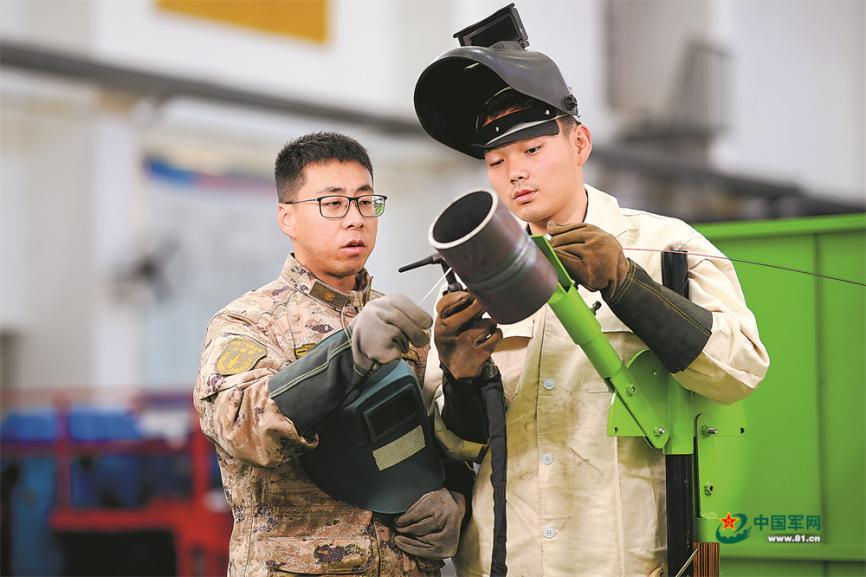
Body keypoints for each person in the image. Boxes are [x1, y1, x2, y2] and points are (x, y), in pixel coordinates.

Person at [413, 11, 770, 577]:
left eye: (532, 150)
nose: (514, 173)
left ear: (578, 142)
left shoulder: (665, 246)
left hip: (623, 559)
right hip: (508, 560)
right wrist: (459, 379)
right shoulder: (469, 276)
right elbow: (458, 447)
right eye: (497, 161)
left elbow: (739, 370)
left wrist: (628, 284)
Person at [194, 132, 465, 577]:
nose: (355, 219)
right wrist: (348, 356)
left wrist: (454, 500)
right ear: (287, 217)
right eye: (333, 203)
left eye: (365, 202)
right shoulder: (251, 322)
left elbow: (437, 440)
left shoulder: (403, 326)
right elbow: (240, 426)